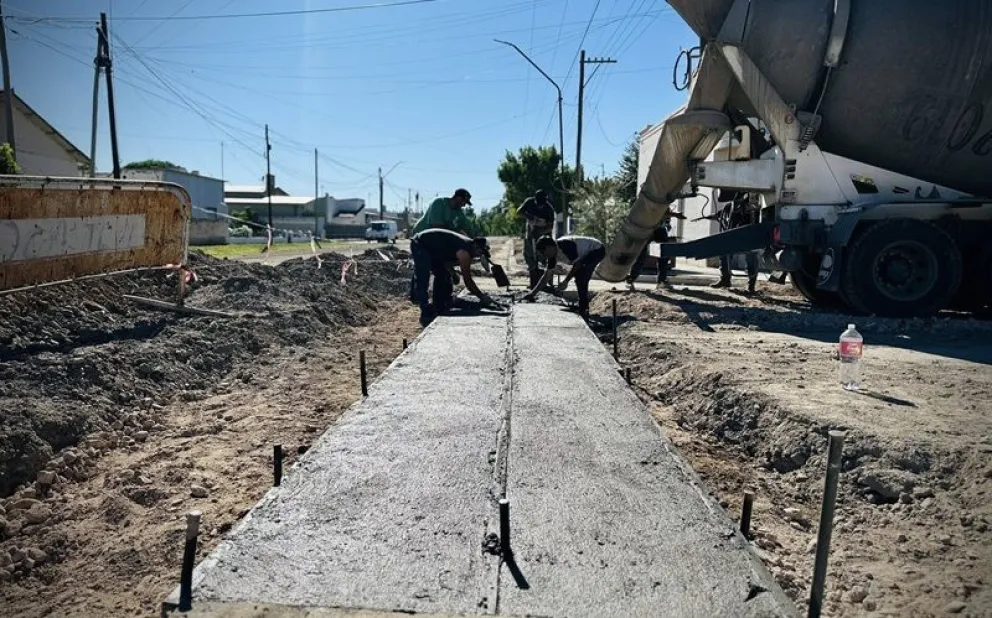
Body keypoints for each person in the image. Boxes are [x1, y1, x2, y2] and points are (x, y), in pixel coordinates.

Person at [410, 228, 500, 327]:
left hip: (434, 249)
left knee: (443, 274)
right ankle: (425, 314)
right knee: (423, 277)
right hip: (421, 243)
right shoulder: (465, 252)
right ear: (475, 246)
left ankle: (439, 305)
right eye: (480, 252)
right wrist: (481, 296)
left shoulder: (467, 246)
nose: (479, 256)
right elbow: (468, 281)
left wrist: (453, 273)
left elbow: (446, 258)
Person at [408, 188, 476, 303]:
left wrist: (474, 242)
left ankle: (441, 300)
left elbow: (468, 228)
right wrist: (457, 233)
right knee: (423, 268)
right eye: (464, 202)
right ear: (458, 198)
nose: (464, 205)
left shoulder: (458, 212)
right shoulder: (439, 204)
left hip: (437, 241)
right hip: (421, 240)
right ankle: (417, 298)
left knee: (441, 270)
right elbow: (437, 227)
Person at [523, 235, 606, 320]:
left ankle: (583, 310)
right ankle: (583, 307)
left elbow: (577, 265)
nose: (545, 255)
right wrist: (532, 294)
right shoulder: (552, 256)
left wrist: (566, 281)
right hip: (586, 254)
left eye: (544, 252)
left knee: (581, 277)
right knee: (580, 277)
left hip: (597, 249)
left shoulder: (566, 246)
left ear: (549, 247)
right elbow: (546, 276)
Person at [626, 210, 686, 290]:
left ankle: (661, 281)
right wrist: (675, 214)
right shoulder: (651, 198)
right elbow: (655, 210)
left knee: (664, 254)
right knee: (641, 255)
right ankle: (631, 280)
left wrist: (671, 214)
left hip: (659, 228)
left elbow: (664, 210)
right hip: (647, 228)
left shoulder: (666, 198)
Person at [517, 189, 557, 289]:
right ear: (535, 199)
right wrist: (529, 216)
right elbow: (519, 212)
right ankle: (534, 282)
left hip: (544, 238)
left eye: (542, 204)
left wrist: (540, 231)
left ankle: (547, 283)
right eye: (538, 203)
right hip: (530, 236)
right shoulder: (529, 202)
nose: (540, 206)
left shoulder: (549, 209)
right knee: (530, 257)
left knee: (545, 259)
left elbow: (550, 227)